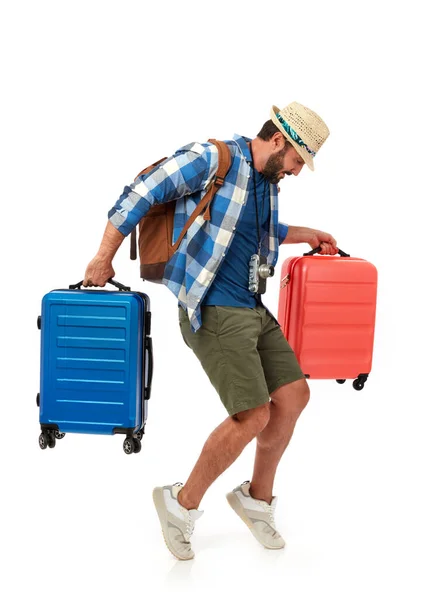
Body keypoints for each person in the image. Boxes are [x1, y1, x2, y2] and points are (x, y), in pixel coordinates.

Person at [83, 101, 338, 560]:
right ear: (278, 141)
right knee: (253, 414)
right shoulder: (213, 157)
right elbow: (141, 192)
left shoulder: (267, 183)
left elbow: (257, 231)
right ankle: (180, 505)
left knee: (295, 395)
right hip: (213, 309)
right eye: (299, 160)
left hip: (251, 307)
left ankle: (255, 499)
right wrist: (104, 256)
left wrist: (309, 233)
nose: (297, 172)